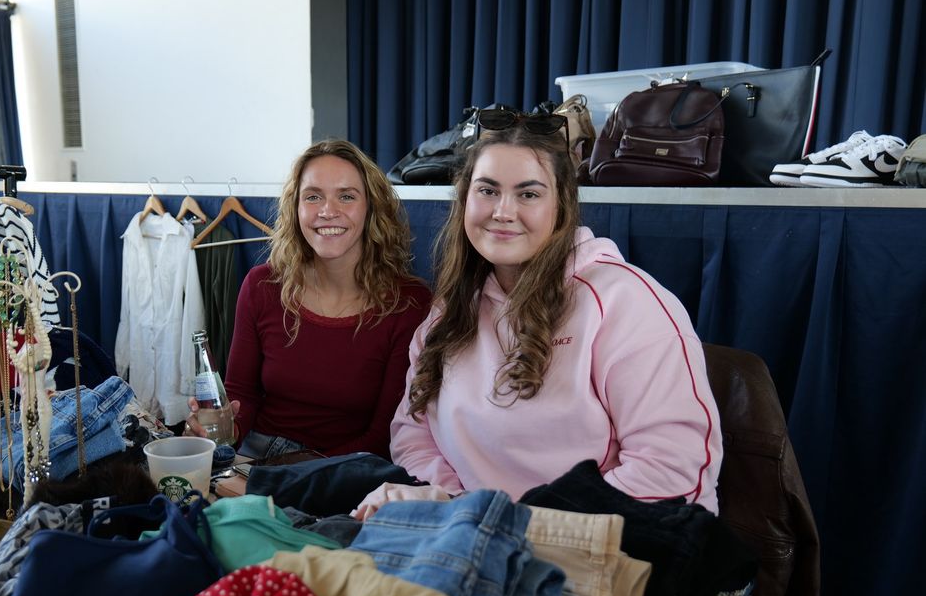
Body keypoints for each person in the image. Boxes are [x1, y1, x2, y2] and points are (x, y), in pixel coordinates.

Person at [390, 116, 723, 512]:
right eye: (487, 190)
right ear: (464, 199)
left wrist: (520, 525)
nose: (503, 211)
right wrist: (458, 510)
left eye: (528, 194)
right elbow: (414, 436)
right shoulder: (447, 315)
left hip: (617, 542)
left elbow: (672, 471)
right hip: (478, 537)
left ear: (562, 205)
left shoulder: (626, 302)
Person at [187, 140, 432, 459]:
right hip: (257, 456)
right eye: (313, 196)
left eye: (346, 196)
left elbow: (385, 435)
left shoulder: (409, 303)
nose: (328, 211)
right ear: (296, 208)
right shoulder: (262, 285)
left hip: (345, 469)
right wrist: (223, 429)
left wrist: (293, 476)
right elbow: (241, 393)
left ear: (371, 207)